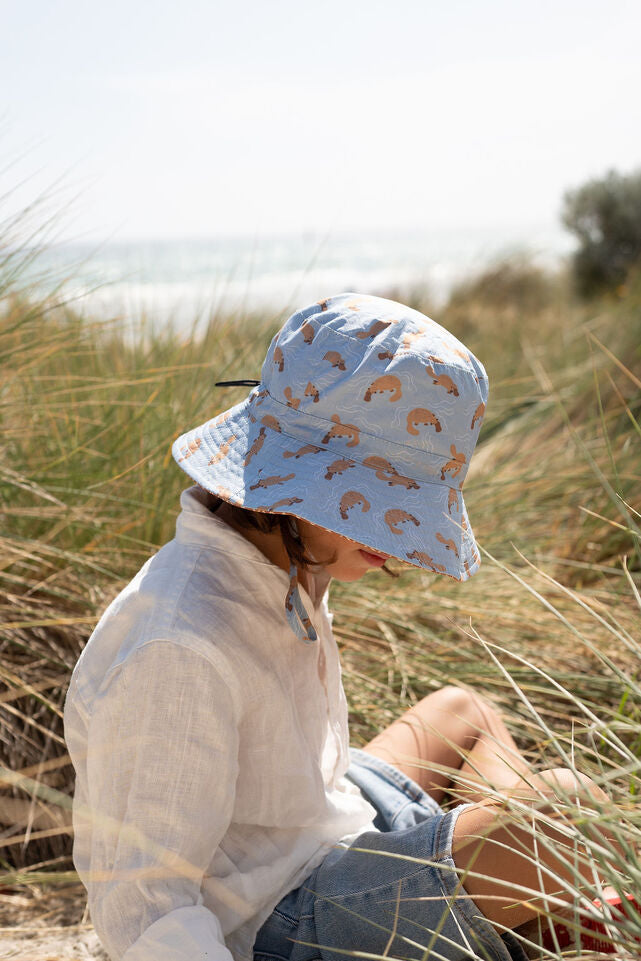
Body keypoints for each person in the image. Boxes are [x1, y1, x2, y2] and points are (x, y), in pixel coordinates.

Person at [64, 292, 620, 961]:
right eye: (384, 505)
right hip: (276, 915)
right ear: (297, 484)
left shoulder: (284, 557)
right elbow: (143, 902)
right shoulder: (179, 643)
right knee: (564, 813)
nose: (405, 541)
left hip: (325, 823)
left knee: (461, 711)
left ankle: (533, 906)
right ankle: (540, 905)